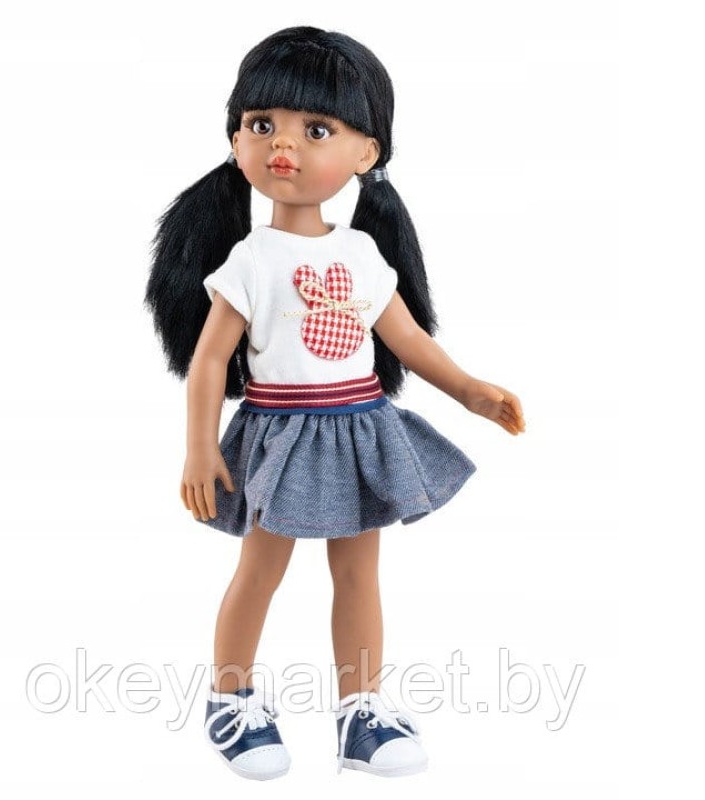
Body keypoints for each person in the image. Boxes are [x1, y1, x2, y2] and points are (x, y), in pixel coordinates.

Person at [145, 25, 526, 781]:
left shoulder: (359, 253)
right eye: (262, 124)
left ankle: (362, 711)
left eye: (316, 129)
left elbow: (406, 338)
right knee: (261, 570)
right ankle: (230, 698)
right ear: (236, 139)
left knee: (358, 574)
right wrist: (199, 446)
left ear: (366, 153)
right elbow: (210, 359)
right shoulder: (251, 259)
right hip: (281, 436)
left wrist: (470, 390)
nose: (282, 144)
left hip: (358, 430)